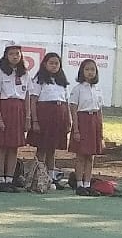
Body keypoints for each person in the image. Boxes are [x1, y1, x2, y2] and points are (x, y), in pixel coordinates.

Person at [0, 43, 33, 193]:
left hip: (19, 110)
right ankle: (0, 178)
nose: (15, 57)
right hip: (5, 107)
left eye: (17, 54)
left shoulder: (25, 73)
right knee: (1, 145)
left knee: (14, 146)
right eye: (11, 54)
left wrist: (28, 117)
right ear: (6, 56)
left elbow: (27, 96)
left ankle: (10, 178)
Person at [29, 52, 70, 186]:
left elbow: (66, 102)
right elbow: (33, 101)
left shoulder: (62, 82)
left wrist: (68, 120)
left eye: (56, 63)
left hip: (59, 116)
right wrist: (34, 121)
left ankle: (51, 177)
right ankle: (38, 176)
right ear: (45, 64)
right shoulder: (39, 80)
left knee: (52, 148)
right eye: (51, 63)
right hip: (44, 116)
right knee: (42, 147)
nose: (54, 66)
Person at [68, 59, 104, 196]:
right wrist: (76, 129)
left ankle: (88, 183)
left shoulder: (98, 89)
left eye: (93, 69)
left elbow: (99, 110)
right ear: (82, 71)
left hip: (94, 121)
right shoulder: (77, 89)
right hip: (83, 121)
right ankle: (79, 184)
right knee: (81, 155)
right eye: (87, 69)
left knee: (90, 156)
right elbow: (73, 109)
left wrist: (101, 131)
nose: (90, 72)